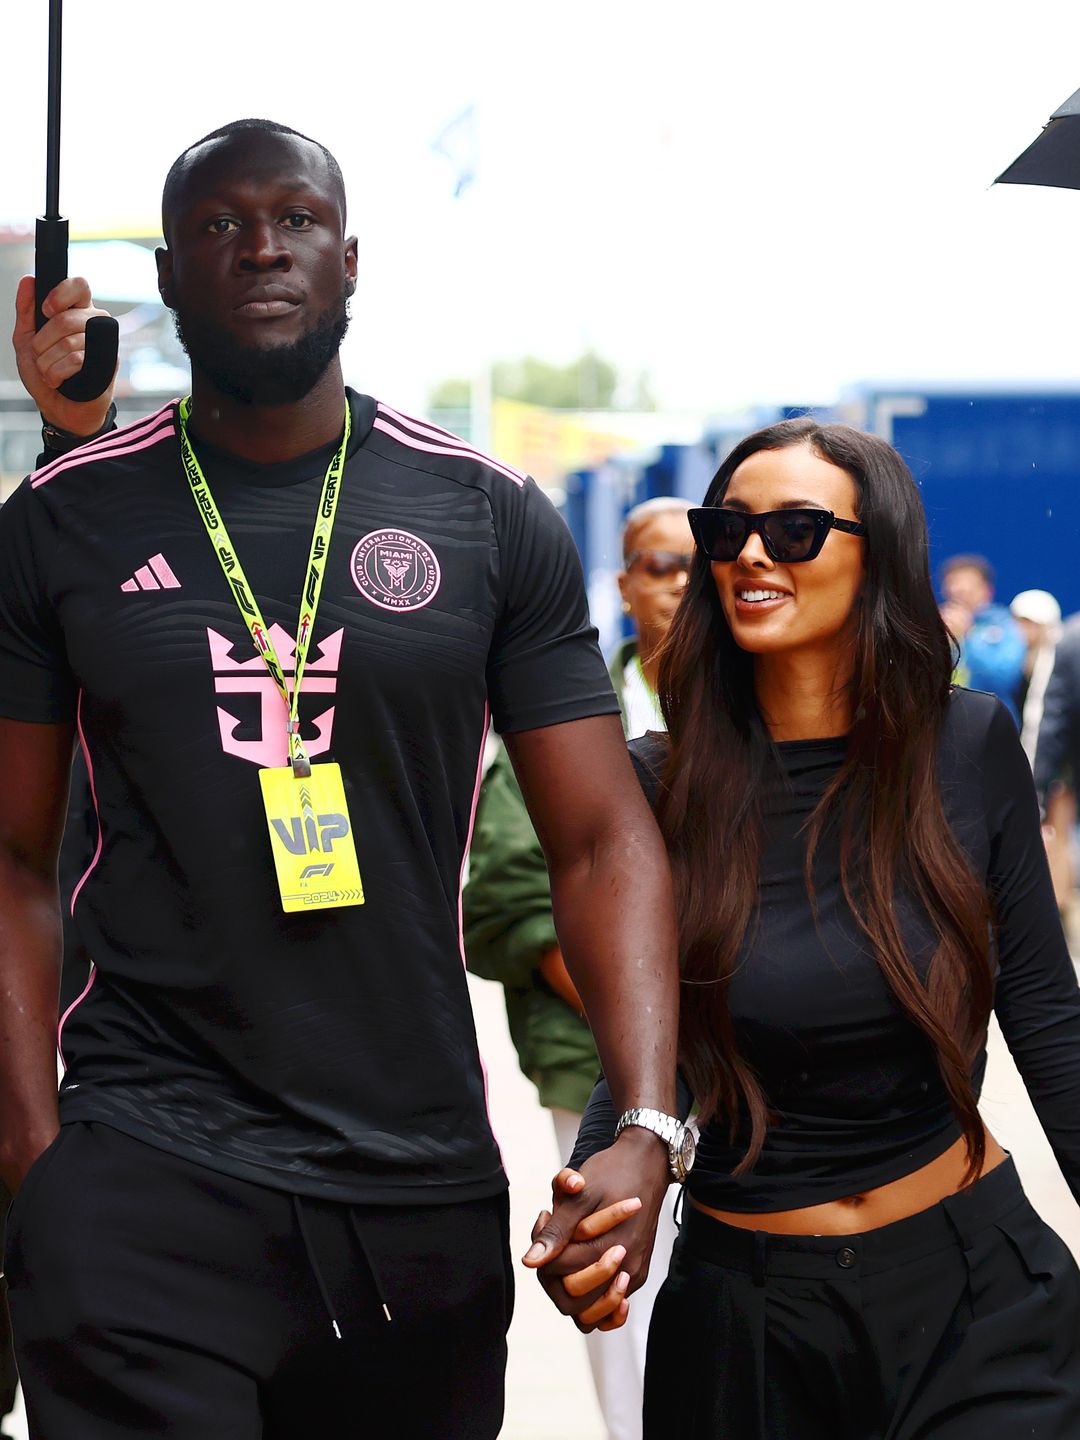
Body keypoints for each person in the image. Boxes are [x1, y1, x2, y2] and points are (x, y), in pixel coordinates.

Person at [0, 118, 681, 1439]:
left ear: (352, 261)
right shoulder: (59, 522)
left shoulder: (485, 513)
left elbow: (604, 841)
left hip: (412, 1187)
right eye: (218, 225)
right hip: (143, 1169)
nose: (262, 246)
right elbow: (12, 857)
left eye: (297, 218)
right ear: (173, 277)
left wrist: (645, 1120)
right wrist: (35, 1158)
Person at [529, 417, 1080, 1438]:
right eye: (726, 528)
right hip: (745, 1327)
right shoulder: (657, 786)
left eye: (792, 529)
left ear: (879, 559)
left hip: (974, 1302)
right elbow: (652, 1043)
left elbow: (1047, 1016)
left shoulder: (968, 745)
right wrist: (597, 1220)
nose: (748, 553)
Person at [464, 496, 691, 1440]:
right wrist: (650, 1037)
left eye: (695, 561)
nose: (682, 583)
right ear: (625, 584)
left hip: (763, 1082)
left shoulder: (774, 711)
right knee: (627, 1313)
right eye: (659, 565)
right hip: (598, 1069)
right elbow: (508, 899)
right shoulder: (561, 717)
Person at [940, 553, 1026, 723]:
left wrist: (968, 635)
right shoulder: (935, 625)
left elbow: (1003, 679)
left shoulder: (1005, 626)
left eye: (967, 589)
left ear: (987, 591)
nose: (959, 594)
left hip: (990, 721)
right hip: (944, 721)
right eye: (954, 588)